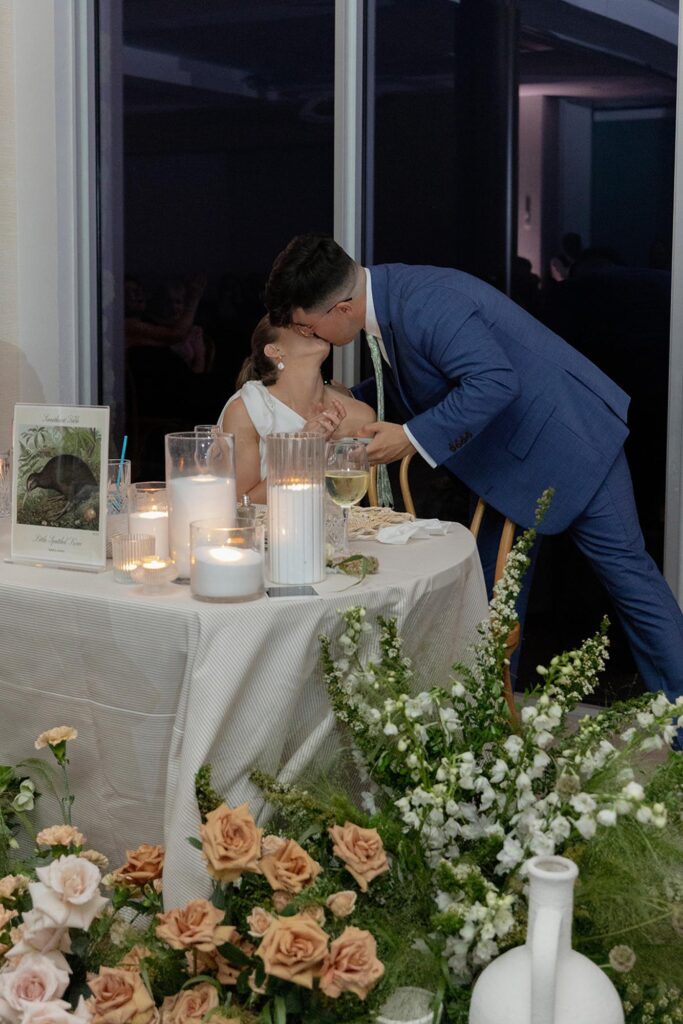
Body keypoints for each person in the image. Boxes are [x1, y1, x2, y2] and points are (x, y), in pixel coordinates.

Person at [264, 234, 683, 704]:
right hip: (512, 460)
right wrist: (347, 402)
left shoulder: (425, 303)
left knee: (631, 583)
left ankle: (679, 718)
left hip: (571, 441)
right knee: (488, 595)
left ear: (340, 308)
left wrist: (411, 438)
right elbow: (425, 379)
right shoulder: (389, 299)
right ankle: (487, 716)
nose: (312, 337)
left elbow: (493, 381)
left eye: (308, 327)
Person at [219, 315, 376, 503]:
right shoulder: (246, 410)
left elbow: (351, 498)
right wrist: (303, 452)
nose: (311, 327)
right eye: (299, 325)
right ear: (274, 350)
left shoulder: (359, 416)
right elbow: (243, 504)